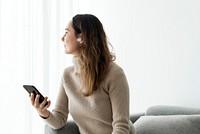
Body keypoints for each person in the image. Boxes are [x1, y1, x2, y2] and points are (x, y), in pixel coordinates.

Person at [30, 14, 136, 134]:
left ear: (82, 38)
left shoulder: (114, 74)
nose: (62, 38)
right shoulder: (67, 76)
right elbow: (59, 119)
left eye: (66, 32)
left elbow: (121, 127)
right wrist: (43, 111)